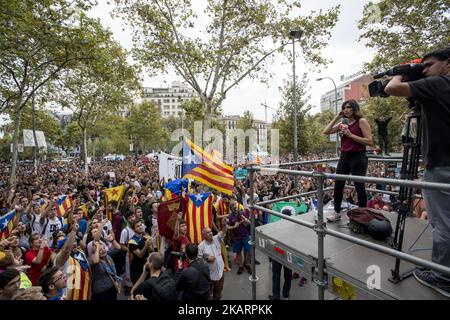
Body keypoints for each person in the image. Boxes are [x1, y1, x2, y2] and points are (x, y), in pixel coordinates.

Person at [384, 46, 450, 297]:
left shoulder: (441, 83)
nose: (424, 71)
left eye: (429, 65)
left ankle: (443, 277)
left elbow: (391, 88)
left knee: (443, 224)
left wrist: (401, 72)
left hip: (442, 165)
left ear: (448, 64)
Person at [322, 99, 373, 221]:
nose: (346, 110)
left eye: (349, 107)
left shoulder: (361, 121)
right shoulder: (342, 124)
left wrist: (351, 135)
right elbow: (326, 131)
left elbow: (369, 141)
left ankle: (362, 214)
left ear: (354, 108)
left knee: (359, 185)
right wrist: (336, 118)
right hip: (344, 156)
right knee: (338, 185)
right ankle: (336, 211)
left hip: (358, 156)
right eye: (344, 107)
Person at [197, 219, 228, 300]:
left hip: (220, 272)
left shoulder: (216, 238)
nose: (210, 233)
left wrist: (224, 225)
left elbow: (223, 232)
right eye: (208, 232)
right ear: (203, 235)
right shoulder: (201, 246)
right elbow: (198, 260)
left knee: (219, 291)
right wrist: (206, 258)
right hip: (210, 276)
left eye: (210, 231)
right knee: (210, 295)